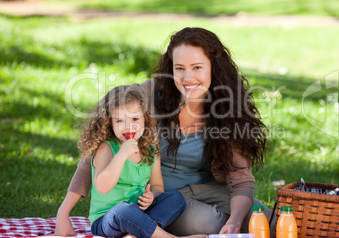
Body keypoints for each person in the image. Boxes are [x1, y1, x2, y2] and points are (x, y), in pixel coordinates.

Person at [54, 27, 274, 236]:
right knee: (209, 223)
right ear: (171, 69)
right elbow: (97, 151)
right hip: (163, 196)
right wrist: (63, 214)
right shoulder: (149, 94)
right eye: (180, 69)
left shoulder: (227, 107)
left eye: (197, 67)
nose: (188, 79)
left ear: (213, 67)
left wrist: (235, 220)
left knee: (266, 221)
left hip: (210, 189)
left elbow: (241, 180)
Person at [66, 84, 205, 238]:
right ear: (109, 122)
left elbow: (158, 186)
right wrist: (121, 155)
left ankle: (134, 235)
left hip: (139, 214)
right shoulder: (107, 148)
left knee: (176, 198)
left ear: (145, 118)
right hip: (108, 219)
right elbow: (102, 187)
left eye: (134, 118)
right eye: (119, 121)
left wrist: (151, 196)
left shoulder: (150, 149)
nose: (128, 126)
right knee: (125, 210)